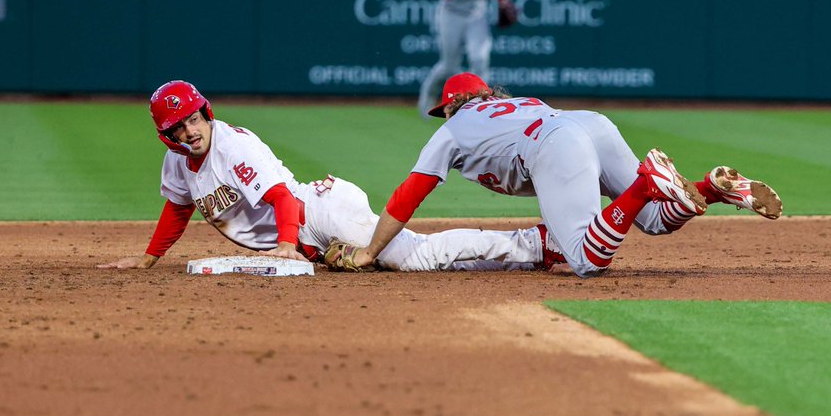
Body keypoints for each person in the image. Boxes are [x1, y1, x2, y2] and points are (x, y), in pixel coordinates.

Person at [325, 73, 784, 279]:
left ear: (449, 106)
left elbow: (408, 196)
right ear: (485, 94)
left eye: (442, 109)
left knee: (586, 259)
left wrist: (369, 253)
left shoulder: (450, 131)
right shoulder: (513, 102)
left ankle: (648, 182)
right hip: (587, 123)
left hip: (557, 143)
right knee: (654, 219)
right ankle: (713, 188)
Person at [99, 81, 553, 274]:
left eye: (193, 119)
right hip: (310, 227)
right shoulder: (179, 162)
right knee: (416, 259)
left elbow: (281, 198)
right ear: (167, 137)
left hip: (317, 212)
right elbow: (178, 207)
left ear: (205, 111)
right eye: (178, 128)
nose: (190, 130)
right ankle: (531, 253)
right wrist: (149, 257)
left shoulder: (231, 144)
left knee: (416, 257)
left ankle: (533, 243)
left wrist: (286, 246)